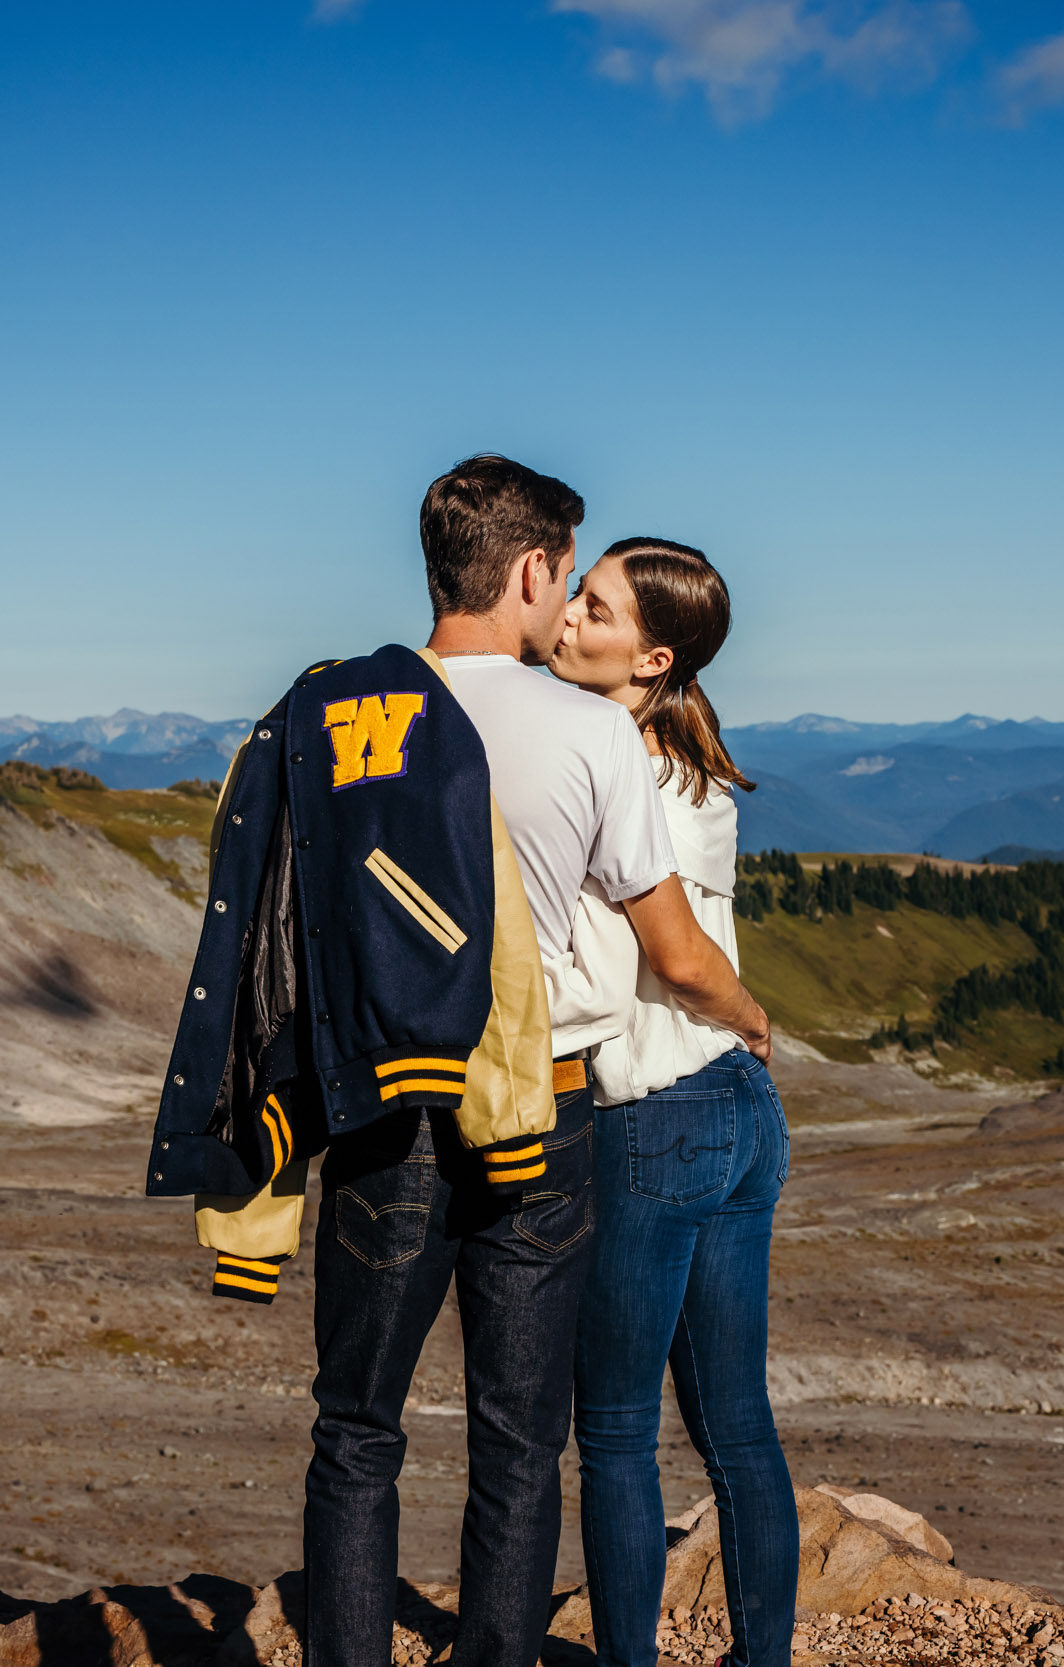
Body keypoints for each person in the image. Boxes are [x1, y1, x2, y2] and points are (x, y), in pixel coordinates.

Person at [302, 460, 775, 1667]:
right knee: (527, 1437)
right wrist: (754, 1019)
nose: (567, 605)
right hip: (557, 1104)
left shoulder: (340, 716)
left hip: (380, 1106)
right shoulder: (596, 737)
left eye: (591, 598)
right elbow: (674, 949)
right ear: (527, 569)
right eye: (569, 579)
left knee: (359, 1431)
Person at [547, 538, 799, 1667]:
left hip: (655, 1115)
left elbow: (682, 957)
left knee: (612, 1433)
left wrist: (746, 1009)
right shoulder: (691, 768)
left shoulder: (617, 769)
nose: (563, 614)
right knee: (735, 1423)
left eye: (591, 607)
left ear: (649, 654)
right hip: (738, 1114)